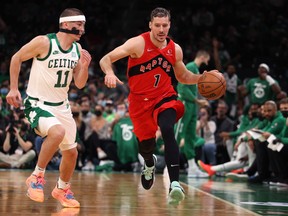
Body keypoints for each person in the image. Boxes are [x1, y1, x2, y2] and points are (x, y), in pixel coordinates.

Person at [99, 7, 217, 204]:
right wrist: (109, 73)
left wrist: (201, 78)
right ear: (150, 25)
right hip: (140, 102)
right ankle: (149, 162)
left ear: (169, 25)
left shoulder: (174, 49)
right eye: (157, 25)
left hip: (164, 96)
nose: (161, 29)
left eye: (165, 25)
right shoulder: (138, 43)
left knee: (168, 129)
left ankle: (175, 184)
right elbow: (106, 59)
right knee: (146, 145)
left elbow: (182, 76)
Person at [6, 8, 91, 208]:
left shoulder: (77, 50)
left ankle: (62, 188)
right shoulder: (44, 42)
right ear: (66, 25)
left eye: (83, 25)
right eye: (78, 25)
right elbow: (16, 58)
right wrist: (12, 88)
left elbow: (79, 84)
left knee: (72, 153)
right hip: (38, 103)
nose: (82, 30)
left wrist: (84, 67)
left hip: (62, 106)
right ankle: (36, 177)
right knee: (57, 132)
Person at [175, 50, 210, 178]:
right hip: (184, 103)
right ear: (202, 57)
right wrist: (197, 101)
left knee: (190, 137)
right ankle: (170, 166)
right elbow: (182, 88)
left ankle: (192, 168)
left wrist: (198, 101)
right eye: (207, 59)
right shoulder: (189, 66)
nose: (207, 62)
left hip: (192, 105)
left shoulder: (195, 69)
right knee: (177, 135)